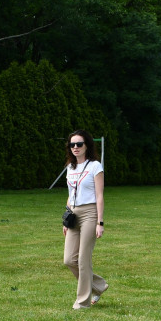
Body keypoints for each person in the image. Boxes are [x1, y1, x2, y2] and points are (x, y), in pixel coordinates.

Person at [62, 130, 107, 309]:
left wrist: (100, 222)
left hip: (90, 213)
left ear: (87, 145)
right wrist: (66, 218)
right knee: (69, 259)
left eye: (79, 144)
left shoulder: (95, 166)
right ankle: (99, 286)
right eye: (72, 144)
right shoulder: (70, 168)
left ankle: (83, 302)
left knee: (83, 259)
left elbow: (100, 195)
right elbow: (70, 195)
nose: (75, 148)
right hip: (73, 213)